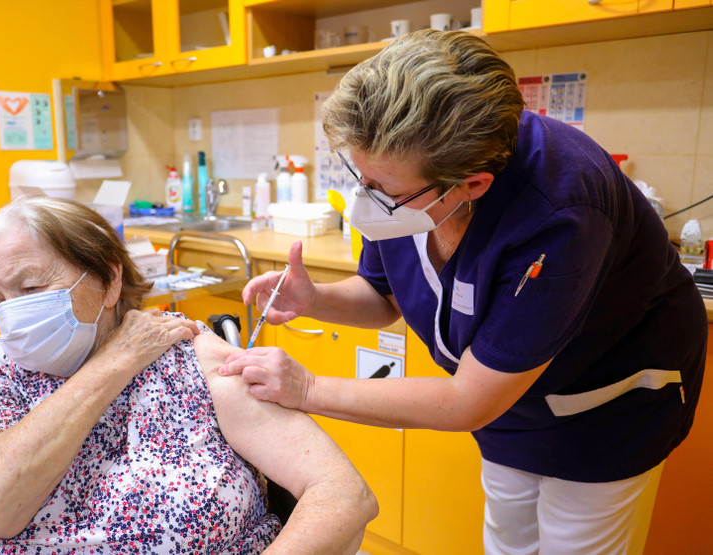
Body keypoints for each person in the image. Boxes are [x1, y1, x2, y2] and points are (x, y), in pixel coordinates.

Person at [220, 30, 707, 554]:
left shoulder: (561, 209)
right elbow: (383, 297)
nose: (369, 200)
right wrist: (317, 299)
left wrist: (308, 391)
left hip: (605, 405)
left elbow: (466, 401)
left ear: (471, 185)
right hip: (506, 399)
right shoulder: (407, 175)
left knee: (575, 543)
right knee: (509, 537)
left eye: (386, 192)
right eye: (362, 179)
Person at [0, 196, 377, 554]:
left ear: (109, 280)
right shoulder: (4, 367)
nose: (13, 316)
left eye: (31, 288)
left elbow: (342, 494)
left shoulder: (187, 352)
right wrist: (114, 363)